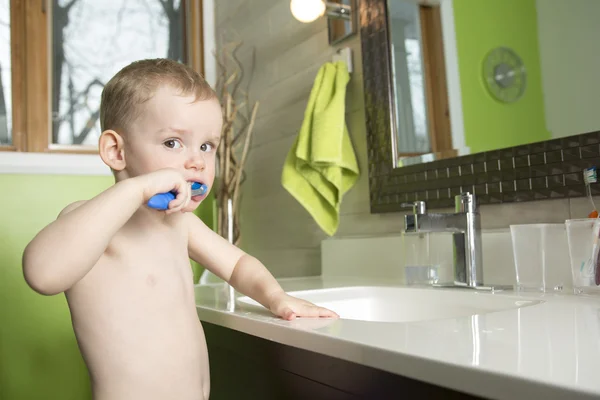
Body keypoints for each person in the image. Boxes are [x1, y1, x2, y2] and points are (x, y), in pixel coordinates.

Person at [22, 58, 338, 400]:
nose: (197, 161)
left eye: (206, 146)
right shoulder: (92, 223)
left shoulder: (180, 224)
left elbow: (238, 265)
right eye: (173, 142)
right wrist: (136, 189)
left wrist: (275, 297)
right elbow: (42, 274)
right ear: (116, 150)